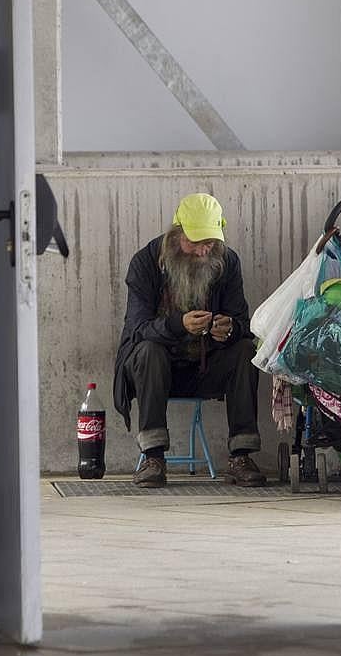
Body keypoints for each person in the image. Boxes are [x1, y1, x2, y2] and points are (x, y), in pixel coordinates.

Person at [113, 193, 266, 489]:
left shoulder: (226, 261)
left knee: (246, 349)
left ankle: (241, 457)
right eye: (194, 242)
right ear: (175, 235)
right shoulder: (145, 263)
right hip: (154, 373)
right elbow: (137, 329)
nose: (201, 251)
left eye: (208, 243)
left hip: (204, 368)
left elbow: (244, 323)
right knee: (148, 350)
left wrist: (230, 329)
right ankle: (153, 458)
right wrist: (178, 324)